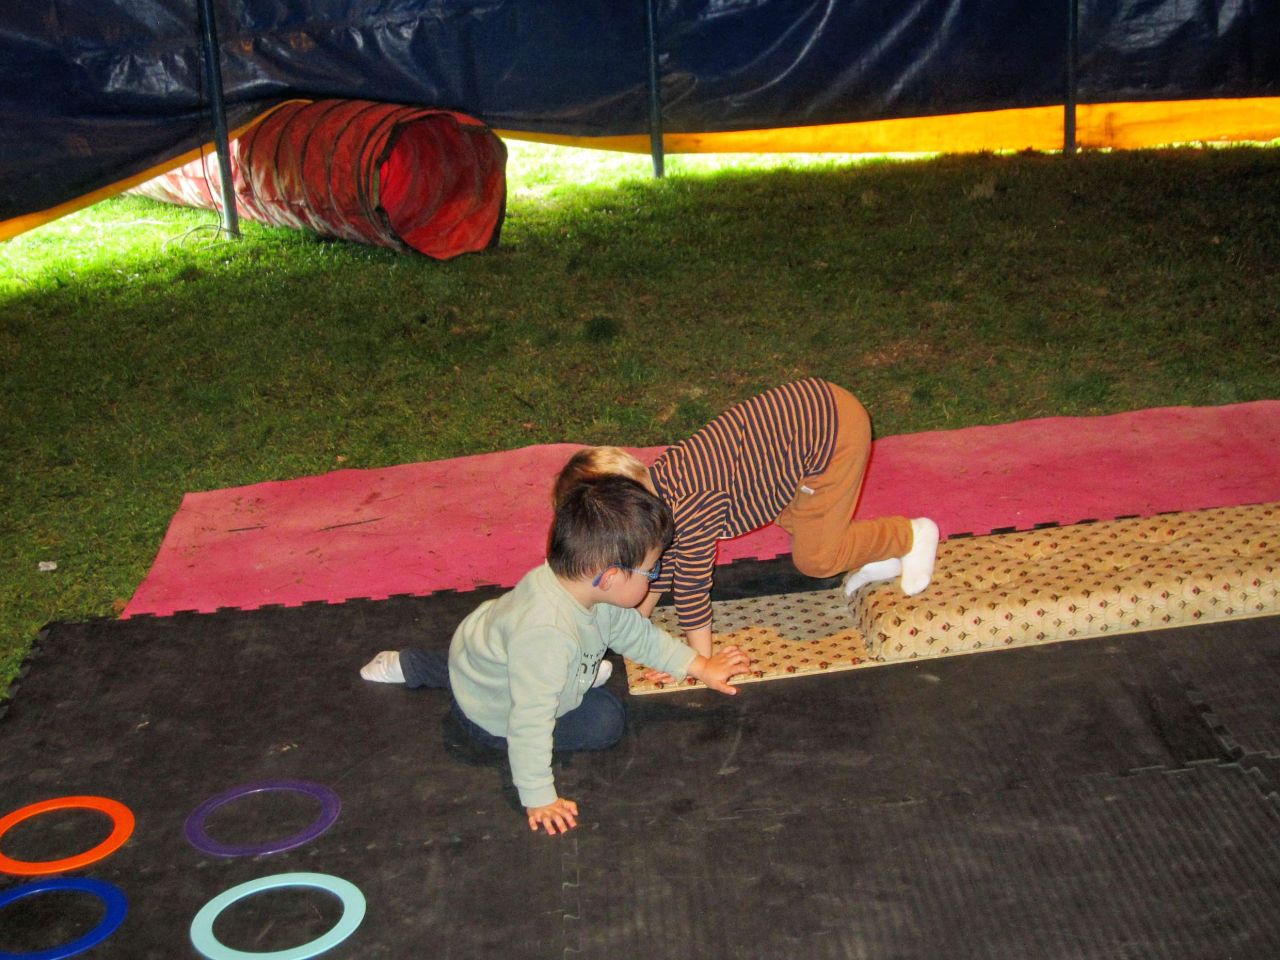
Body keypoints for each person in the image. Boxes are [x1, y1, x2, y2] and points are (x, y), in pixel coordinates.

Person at [359, 475, 751, 836]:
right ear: (611, 577)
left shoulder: (578, 584)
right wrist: (538, 797)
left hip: (483, 650)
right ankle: (450, 676)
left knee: (493, 666)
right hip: (492, 712)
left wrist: (698, 666)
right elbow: (529, 722)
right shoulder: (547, 637)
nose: (656, 576)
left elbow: (636, 633)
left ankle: (413, 664)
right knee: (605, 721)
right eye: (651, 570)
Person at [552, 378, 939, 659]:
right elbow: (663, 555)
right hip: (801, 430)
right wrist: (641, 615)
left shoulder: (689, 507)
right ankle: (881, 553)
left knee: (818, 558)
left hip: (833, 432)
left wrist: (701, 661)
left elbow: (691, 585)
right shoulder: (658, 486)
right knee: (804, 523)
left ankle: (911, 536)